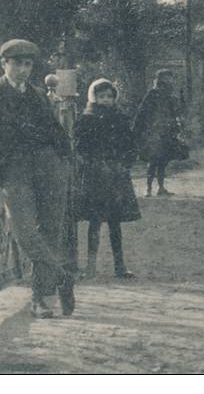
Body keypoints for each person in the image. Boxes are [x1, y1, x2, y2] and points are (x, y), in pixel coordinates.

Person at [0, 39, 75, 318]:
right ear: (4, 63)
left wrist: (62, 163)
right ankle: (63, 274)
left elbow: (56, 133)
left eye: (28, 64)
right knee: (26, 231)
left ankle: (41, 299)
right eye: (17, 63)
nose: (23, 70)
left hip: (48, 167)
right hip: (15, 169)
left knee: (50, 232)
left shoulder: (39, 95)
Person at [75, 79, 141, 279]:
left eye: (110, 96)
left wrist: (125, 163)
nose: (106, 100)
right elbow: (80, 147)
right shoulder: (87, 119)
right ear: (94, 97)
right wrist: (89, 163)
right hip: (96, 175)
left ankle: (120, 266)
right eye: (102, 96)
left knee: (115, 222)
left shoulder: (120, 119)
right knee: (95, 221)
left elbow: (130, 144)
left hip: (116, 175)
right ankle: (91, 266)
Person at [133, 69, 183, 197]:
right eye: (167, 78)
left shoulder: (170, 96)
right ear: (160, 80)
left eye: (170, 78)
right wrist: (137, 130)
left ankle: (161, 187)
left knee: (163, 160)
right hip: (153, 133)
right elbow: (142, 112)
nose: (169, 81)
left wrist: (176, 126)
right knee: (153, 160)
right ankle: (148, 188)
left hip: (166, 132)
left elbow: (174, 114)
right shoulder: (152, 94)